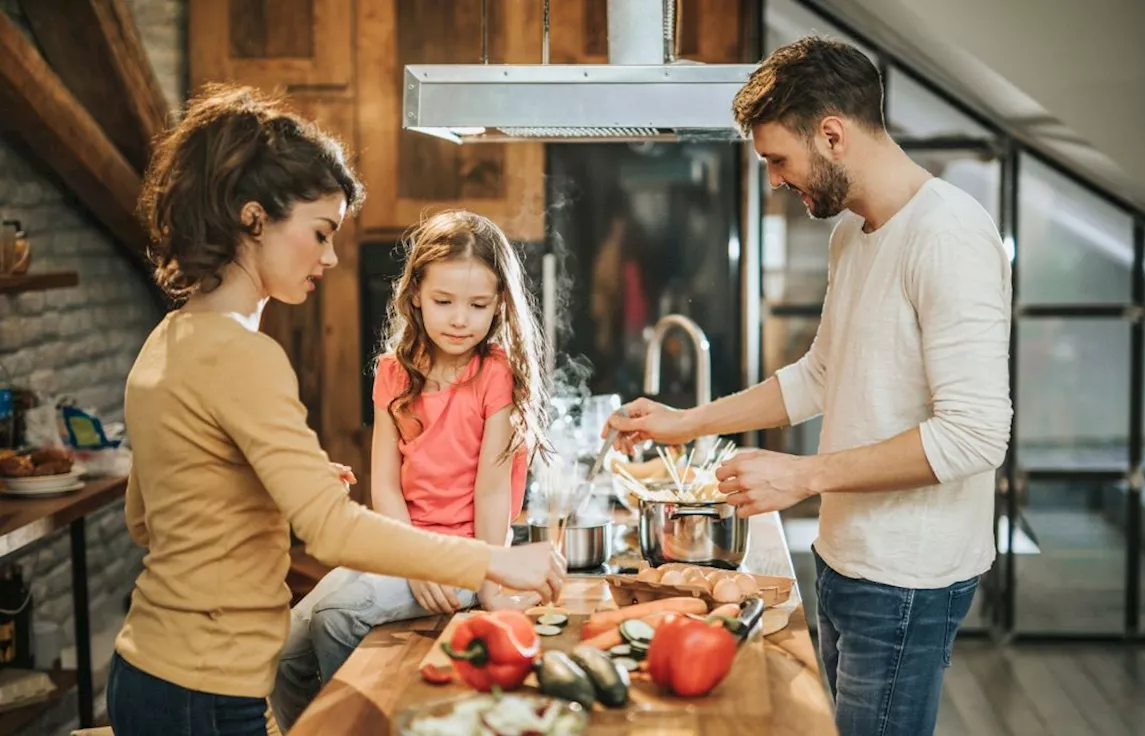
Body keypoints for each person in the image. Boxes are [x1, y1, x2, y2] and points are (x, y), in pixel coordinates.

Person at [108, 85, 565, 736]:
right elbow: (327, 532)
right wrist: (495, 561)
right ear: (253, 218)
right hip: (206, 687)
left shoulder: (168, 340)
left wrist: (273, 491)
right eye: (320, 233)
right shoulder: (246, 357)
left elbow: (146, 520)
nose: (329, 257)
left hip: (146, 670)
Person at [604, 36, 1012, 736]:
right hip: (848, 556)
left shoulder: (947, 235)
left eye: (778, 160)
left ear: (832, 134)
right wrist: (684, 422)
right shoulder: (854, 234)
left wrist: (805, 475)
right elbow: (821, 374)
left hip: (908, 576)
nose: (775, 180)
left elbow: (976, 434)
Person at [271, 209, 552, 729]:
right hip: (401, 547)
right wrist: (414, 560)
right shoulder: (392, 373)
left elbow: (491, 496)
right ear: (415, 292)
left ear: (500, 306)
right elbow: (386, 486)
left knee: (336, 617)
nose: (460, 319)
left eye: (478, 305)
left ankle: (361, 727)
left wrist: (484, 581)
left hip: (470, 556)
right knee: (284, 649)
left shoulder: (496, 377)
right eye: (444, 301)